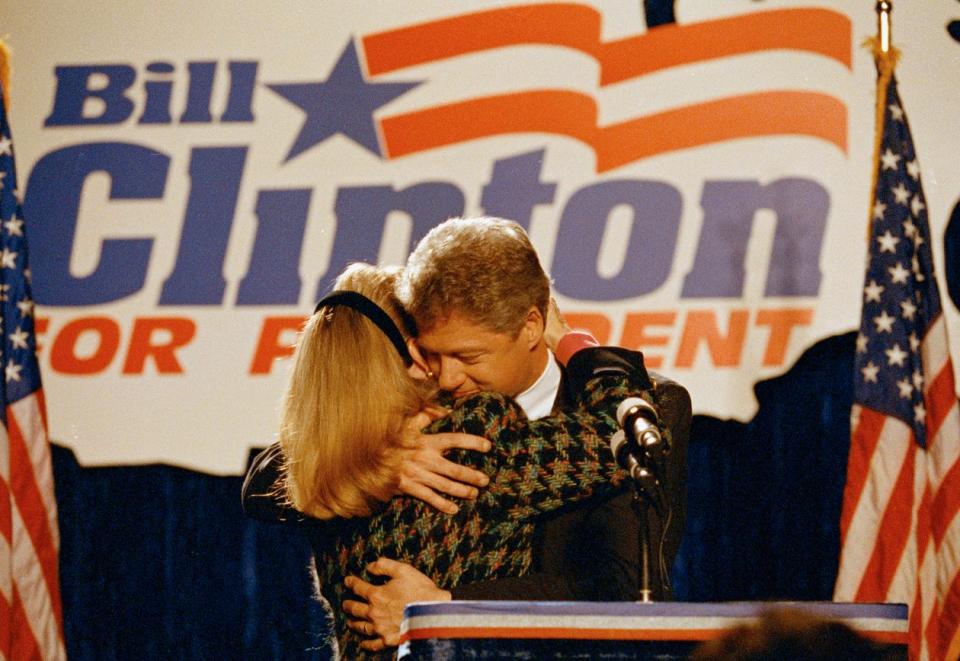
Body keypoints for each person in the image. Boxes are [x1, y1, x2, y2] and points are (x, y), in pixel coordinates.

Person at [242, 260, 659, 659]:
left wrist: (380, 456)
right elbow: (618, 434)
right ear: (410, 353)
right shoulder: (470, 433)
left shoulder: (319, 473)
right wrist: (570, 341)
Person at [341, 217, 685, 649]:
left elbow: (617, 583)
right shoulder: (423, 406)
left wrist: (448, 607)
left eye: (468, 356)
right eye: (433, 353)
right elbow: (278, 469)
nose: (447, 377)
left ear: (531, 327)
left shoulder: (649, 410)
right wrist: (380, 460)